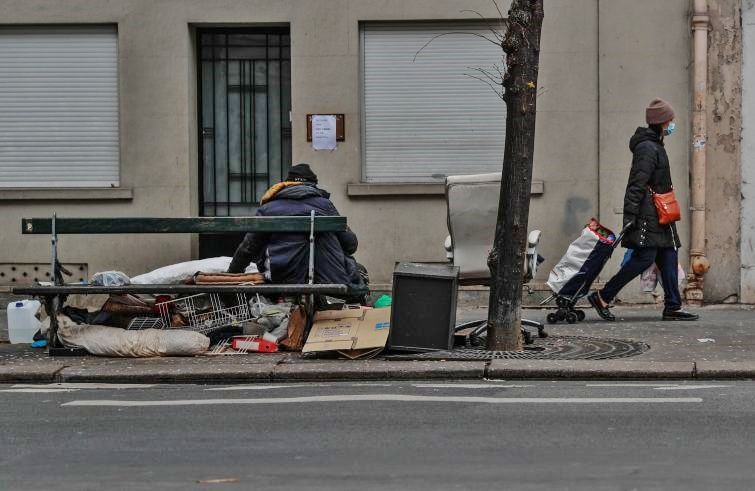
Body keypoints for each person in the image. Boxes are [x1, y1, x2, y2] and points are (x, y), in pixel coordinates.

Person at [587, 98, 699, 322]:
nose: (672, 124)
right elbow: (636, 184)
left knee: (669, 253)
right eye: (670, 120)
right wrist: (631, 217)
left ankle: (673, 306)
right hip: (650, 214)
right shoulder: (647, 148)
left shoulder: (655, 145)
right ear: (661, 122)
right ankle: (602, 296)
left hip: (661, 213)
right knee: (644, 257)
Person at [227, 163, 368, 301]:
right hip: (323, 277)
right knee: (356, 269)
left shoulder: (268, 208)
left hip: (280, 276)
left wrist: (231, 274)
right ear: (313, 185)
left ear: (286, 184)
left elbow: (248, 248)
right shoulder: (325, 206)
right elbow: (350, 245)